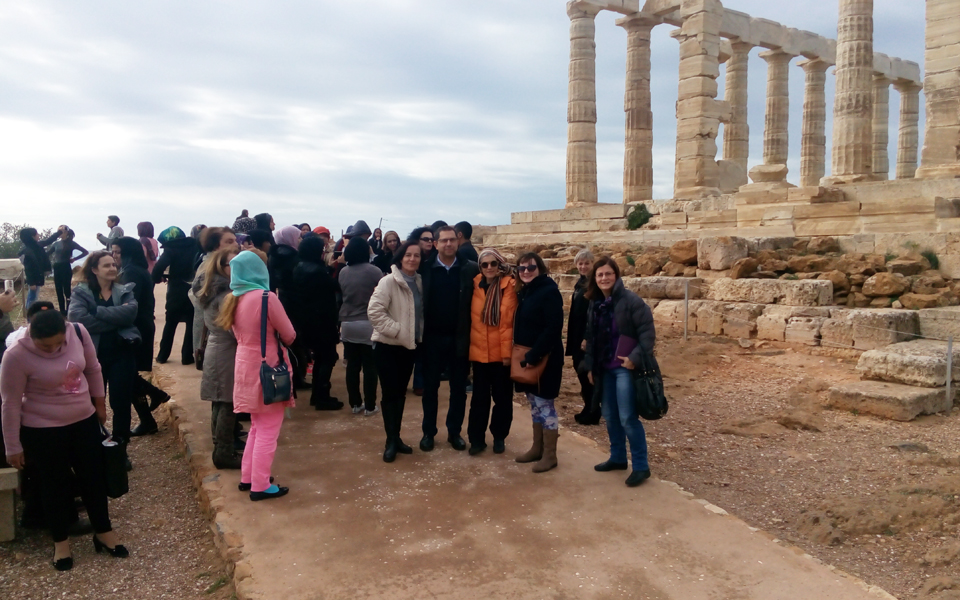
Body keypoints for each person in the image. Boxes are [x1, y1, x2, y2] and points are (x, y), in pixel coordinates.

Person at [1, 308, 128, 571]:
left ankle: (103, 531)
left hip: (83, 421)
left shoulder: (78, 333)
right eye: (46, 346)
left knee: (93, 478)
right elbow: (10, 403)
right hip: (42, 429)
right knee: (54, 484)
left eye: (59, 343)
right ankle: (60, 541)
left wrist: (100, 405)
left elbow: (93, 369)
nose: (55, 349)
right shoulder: (15, 355)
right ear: (31, 335)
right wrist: (12, 446)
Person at [217, 251, 295, 501]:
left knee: (256, 426)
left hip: (244, 366)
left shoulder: (232, 298)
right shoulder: (266, 297)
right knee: (268, 430)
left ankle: (248, 476)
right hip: (268, 368)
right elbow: (289, 334)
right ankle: (260, 485)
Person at [581, 256, 655, 487]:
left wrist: (634, 358)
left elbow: (647, 333)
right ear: (595, 278)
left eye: (608, 274)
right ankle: (618, 457)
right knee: (610, 416)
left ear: (616, 276)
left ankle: (641, 466)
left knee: (627, 418)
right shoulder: (595, 303)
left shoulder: (631, 300)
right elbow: (591, 338)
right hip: (604, 368)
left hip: (624, 368)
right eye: (600, 274)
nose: (604, 278)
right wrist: (590, 366)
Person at [68, 252, 143, 449]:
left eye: (113, 264)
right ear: (94, 270)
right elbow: (78, 319)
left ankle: (120, 446)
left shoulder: (124, 290)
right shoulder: (81, 292)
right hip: (92, 356)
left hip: (122, 354)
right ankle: (94, 445)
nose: (112, 268)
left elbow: (130, 314)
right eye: (106, 265)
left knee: (120, 403)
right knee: (91, 402)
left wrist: (97, 312)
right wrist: (116, 320)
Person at [418, 226, 480, 452]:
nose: (448, 244)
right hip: (431, 339)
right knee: (430, 389)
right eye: (443, 241)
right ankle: (428, 433)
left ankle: (454, 432)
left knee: (458, 390)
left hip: (459, 338)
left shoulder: (470, 269)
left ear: (458, 241)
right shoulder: (424, 269)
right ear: (435, 244)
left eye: (452, 240)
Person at [368, 241, 423, 463]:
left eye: (416, 255)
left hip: (408, 348)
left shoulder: (419, 281)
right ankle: (390, 440)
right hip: (388, 346)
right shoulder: (388, 281)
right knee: (390, 395)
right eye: (408, 255)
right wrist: (398, 331)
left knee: (400, 394)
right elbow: (375, 311)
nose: (412, 259)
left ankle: (397, 437)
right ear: (400, 257)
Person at [512, 252, 564, 473]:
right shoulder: (527, 291)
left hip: (545, 359)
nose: (525, 272)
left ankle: (550, 455)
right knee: (534, 404)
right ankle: (537, 448)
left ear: (540, 269)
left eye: (530, 268)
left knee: (545, 405)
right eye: (521, 268)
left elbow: (553, 328)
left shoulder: (549, 291)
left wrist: (534, 356)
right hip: (529, 358)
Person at [112, 238, 168, 425]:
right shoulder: (136, 270)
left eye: (118, 252)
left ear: (128, 253)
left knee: (128, 375)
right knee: (130, 375)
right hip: (140, 326)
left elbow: (128, 305)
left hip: (136, 328)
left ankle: (152, 405)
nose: (114, 256)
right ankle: (148, 417)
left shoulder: (131, 273)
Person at [195, 248, 242, 469]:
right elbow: (235, 330)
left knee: (219, 400)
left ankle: (221, 446)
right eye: (231, 264)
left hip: (216, 348)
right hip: (226, 350)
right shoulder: (226, 295)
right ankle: (223, 450)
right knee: (228, 402)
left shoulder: (210, 290)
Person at [466, 248, 516, 455]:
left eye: (493, 264)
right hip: (479, 354)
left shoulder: (510, 286)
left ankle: (499, 436)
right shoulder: (474, 284)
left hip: (501, 355)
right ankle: (476, 439)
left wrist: (507, 355)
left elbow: (508, 324)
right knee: (479, 400)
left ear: (499, 264)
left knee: (503, 399)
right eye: (484, 264)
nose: (489, 268)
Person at [288, 236, 342, 410]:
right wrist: (339, 266)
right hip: (322, 321)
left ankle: (318, 395)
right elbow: (334, 286)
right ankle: (321, 396)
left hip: (307, 320)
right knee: (327, 358)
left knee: (321, 357)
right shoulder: (317, 272)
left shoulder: (299, 266)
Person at [338, 237, 383, 415]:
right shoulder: (374, 271)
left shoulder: (343, 272)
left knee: (352, 365)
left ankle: (355, 404)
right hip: (368, 322)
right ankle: (370, 406)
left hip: (347, 323)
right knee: (370, 366)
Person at [152, 226, 199, 365]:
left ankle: (162, 355)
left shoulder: (170, 249)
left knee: (171, 323)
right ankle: (187, 357)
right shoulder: (195, 246)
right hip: (193, 289)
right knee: (191, 323)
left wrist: (158, 278)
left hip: (176, 290)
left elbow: (158, 268)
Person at [270, 226, 307, 388]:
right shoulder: (294, 258)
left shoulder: (273, 255)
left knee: (287, 343)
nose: (300, 240)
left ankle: (292, 376)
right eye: (298, 237)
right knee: (296, 340)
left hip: (280, 300)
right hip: (295, 302)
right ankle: (298, 378)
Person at [566, 249, 599, 425]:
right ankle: (589, 407)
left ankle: (593, 411)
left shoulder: (594, 285)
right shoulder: (580, 284)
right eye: (580, 263)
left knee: (586, 373)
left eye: (586, 263)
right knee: (580, 371)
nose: (583, 266)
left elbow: (594, 313)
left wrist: (587, 337)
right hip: (576, 334)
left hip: (585, 337)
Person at [47, 227, 88, 314]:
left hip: (66, 266)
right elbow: (47, 254)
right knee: (58, 289)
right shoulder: (56, 243)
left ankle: (69, 310)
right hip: (57, 267)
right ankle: (62, 311)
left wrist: (74, 259)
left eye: (61, 231)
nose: (60, 233)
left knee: (67, 290)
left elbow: (85, 252)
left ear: (66, 232)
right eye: (59, 231)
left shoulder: (71, 243)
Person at [19, 226, 61, 307]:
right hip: (34, 279)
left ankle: (30, 316)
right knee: (32, 299)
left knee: (33, 297)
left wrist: (59, 232)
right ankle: (30, 317)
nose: (38, 235)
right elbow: (28, 268)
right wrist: (31, 283)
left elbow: (49, 240)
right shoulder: (27, 252)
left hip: (37, 277)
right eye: (37, 234)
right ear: (32, 237)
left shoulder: (36, 246)